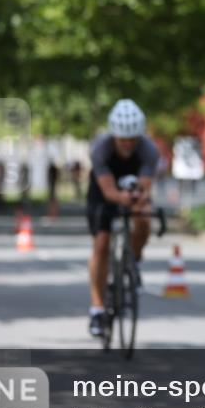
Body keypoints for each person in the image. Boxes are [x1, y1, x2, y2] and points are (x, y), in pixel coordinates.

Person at [85, 99, 160, 337]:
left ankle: (134, 262)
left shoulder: (149, 150)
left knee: (144, 218)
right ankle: (97, 309)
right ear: (114, 135)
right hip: (103, 191)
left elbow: (145, 187)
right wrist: (122, 198)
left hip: (133, 187)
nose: (128, 144)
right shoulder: (100, 149)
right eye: (122, 139)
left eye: (132, 139)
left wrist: (138, 199)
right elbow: (108, 192)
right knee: (101, 244)